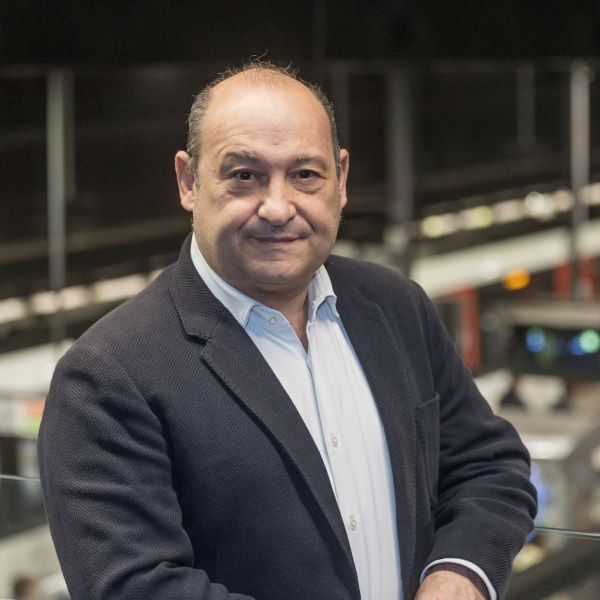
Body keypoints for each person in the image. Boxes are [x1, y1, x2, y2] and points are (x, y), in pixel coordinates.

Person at [38, 61, 537, 600]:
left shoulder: (395, 307)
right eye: (244, 175)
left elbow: (488, 466)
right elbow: (136, 587)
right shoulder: (107, 376)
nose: (278, 208)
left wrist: (459, 575)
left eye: (305, 175)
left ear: (341, 180)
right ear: (188, 181)